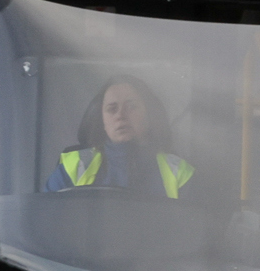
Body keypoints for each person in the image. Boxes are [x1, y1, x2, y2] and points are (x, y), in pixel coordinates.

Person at [46, 76, 194, 199]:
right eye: (112, 109)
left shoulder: (181, 173)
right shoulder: (70, 168)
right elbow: (43, 222)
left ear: (150, 115)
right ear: (102, 121)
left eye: (131, 106)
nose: (120, 115)